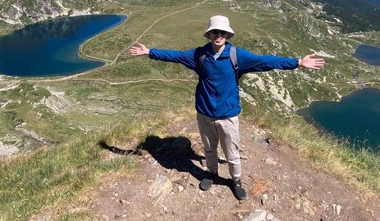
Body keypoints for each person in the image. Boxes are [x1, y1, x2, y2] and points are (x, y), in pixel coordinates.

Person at [129, 15, 325, 200]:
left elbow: (266, 61)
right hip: (204, 113)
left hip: (228, 115)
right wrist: (149, 52)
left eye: (223, 33)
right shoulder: (199, 55)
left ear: (228, 35)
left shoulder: (236, 55)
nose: (219, 36)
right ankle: (211, 173)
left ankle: (236, 180)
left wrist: (297, 62)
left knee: (232, 152)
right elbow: (175, 56)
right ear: (210, 34)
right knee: (209, 148)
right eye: (215, 32)